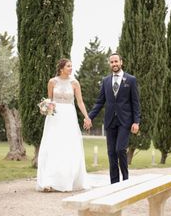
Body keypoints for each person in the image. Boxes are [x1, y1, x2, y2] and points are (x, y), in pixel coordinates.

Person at [84, 53, 140, 184]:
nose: (114, 64)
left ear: (121, 62)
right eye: (112, 62)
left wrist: (136, 121)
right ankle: (114, 184)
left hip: (125, 121)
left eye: (116, 61)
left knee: (120, 149)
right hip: (110, 121)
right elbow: (99, 102)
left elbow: (135, 102)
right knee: (111, 153)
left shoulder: (131, 80)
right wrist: (89, 117)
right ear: (109, 64)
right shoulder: (105, 81)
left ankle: (126, 180)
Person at [36, 58, 90, 192]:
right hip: (55, 117)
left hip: (69, 117)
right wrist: (45, 107)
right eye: (68, 66)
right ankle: (48, 181)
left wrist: (87, 117)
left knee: (68, 147)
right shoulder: (52, 82)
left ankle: (66, 180)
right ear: (61, 68)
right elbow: (50, 100)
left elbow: (80, 102)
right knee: (52, 146)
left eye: (71, 66)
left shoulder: (75, 83)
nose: (71, 68)